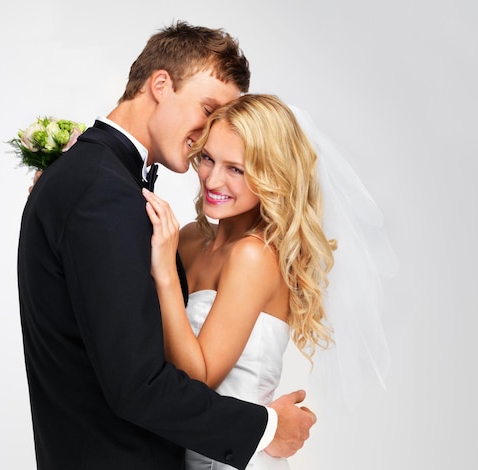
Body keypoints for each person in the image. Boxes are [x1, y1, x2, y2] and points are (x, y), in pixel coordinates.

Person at [17, 22, 316, 470]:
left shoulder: (95, 181)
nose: (206, 133)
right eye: (207, 107)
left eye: (237, 166)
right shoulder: (101, 190)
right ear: (161, 84)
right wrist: (266, 428)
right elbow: (138, 384)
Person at [142, 94, 395, 469]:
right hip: (183, 452)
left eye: (236, 169)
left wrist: (164, 273)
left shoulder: (255, 255)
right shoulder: (192, 238)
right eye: (208, 158)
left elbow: (200, 379)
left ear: (272, 175)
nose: (213, 179)